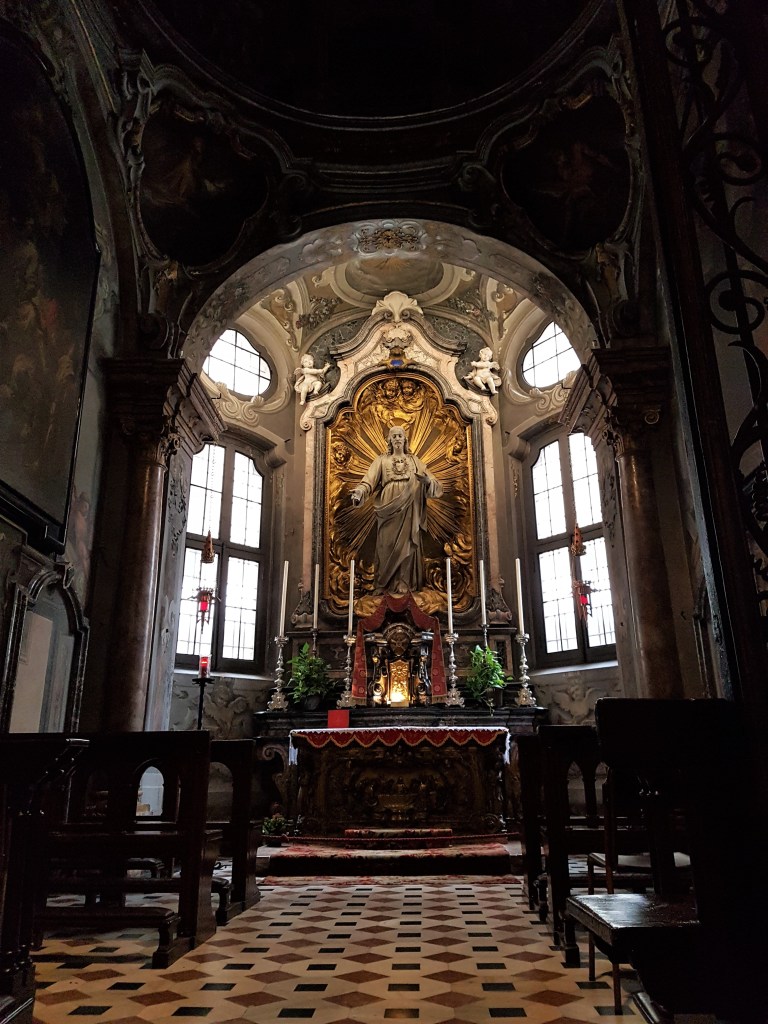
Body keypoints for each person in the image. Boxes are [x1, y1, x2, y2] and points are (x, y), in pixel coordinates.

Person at [350, 425, 442, 595]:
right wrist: (359, 492)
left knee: (407, 544)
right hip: (387, 507)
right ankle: (384, 583)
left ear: (405, 439)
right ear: (390, 441)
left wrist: (428, 482)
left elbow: (433, 482)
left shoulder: (415, 461)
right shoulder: (381, 460)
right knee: (387, 544)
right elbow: (368, 481)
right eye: (394, 436)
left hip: (410, 506)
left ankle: (404, 582)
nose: (398, 438)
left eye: (401, 435)